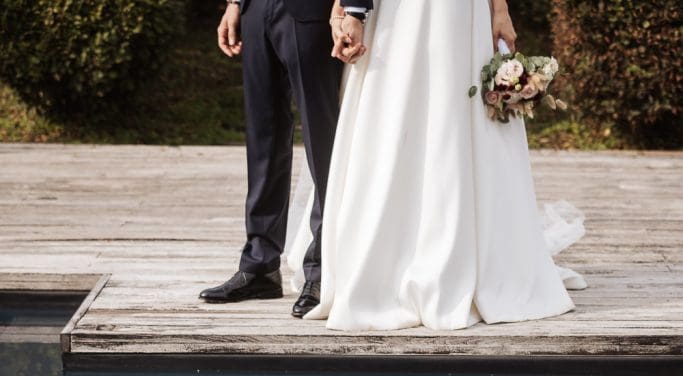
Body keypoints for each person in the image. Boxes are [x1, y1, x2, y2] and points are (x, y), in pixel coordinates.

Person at [292, 0, 585, 330]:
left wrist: (500, 11)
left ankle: (453, 254)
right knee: (391, 113)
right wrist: (345, 9)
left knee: (454, 110)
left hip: (458, 14)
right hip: (395, 14)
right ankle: (384, 260)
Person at [199, 0, 373, 317]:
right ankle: (259, 265)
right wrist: (235, 4)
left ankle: (322, 270)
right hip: (256, 12)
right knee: (262, 137)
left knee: (324, 145)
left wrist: (354, 9)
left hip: (313, 12)